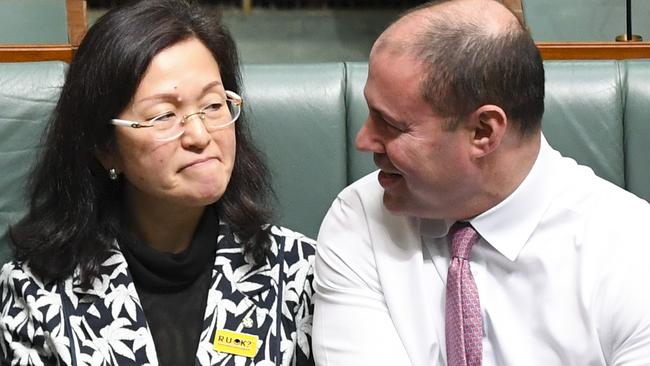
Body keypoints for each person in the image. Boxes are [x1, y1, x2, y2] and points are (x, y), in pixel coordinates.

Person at [313, 0, 650, 365]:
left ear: (483, 131)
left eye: (391, 125)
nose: (363, 141)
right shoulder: (361, 219)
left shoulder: (631, 250)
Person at [0, 1, 315, 365]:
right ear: (105, 147)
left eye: (213, 105)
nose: (200, 134)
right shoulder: (36, 293)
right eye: (164, 115)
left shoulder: (297, 273)